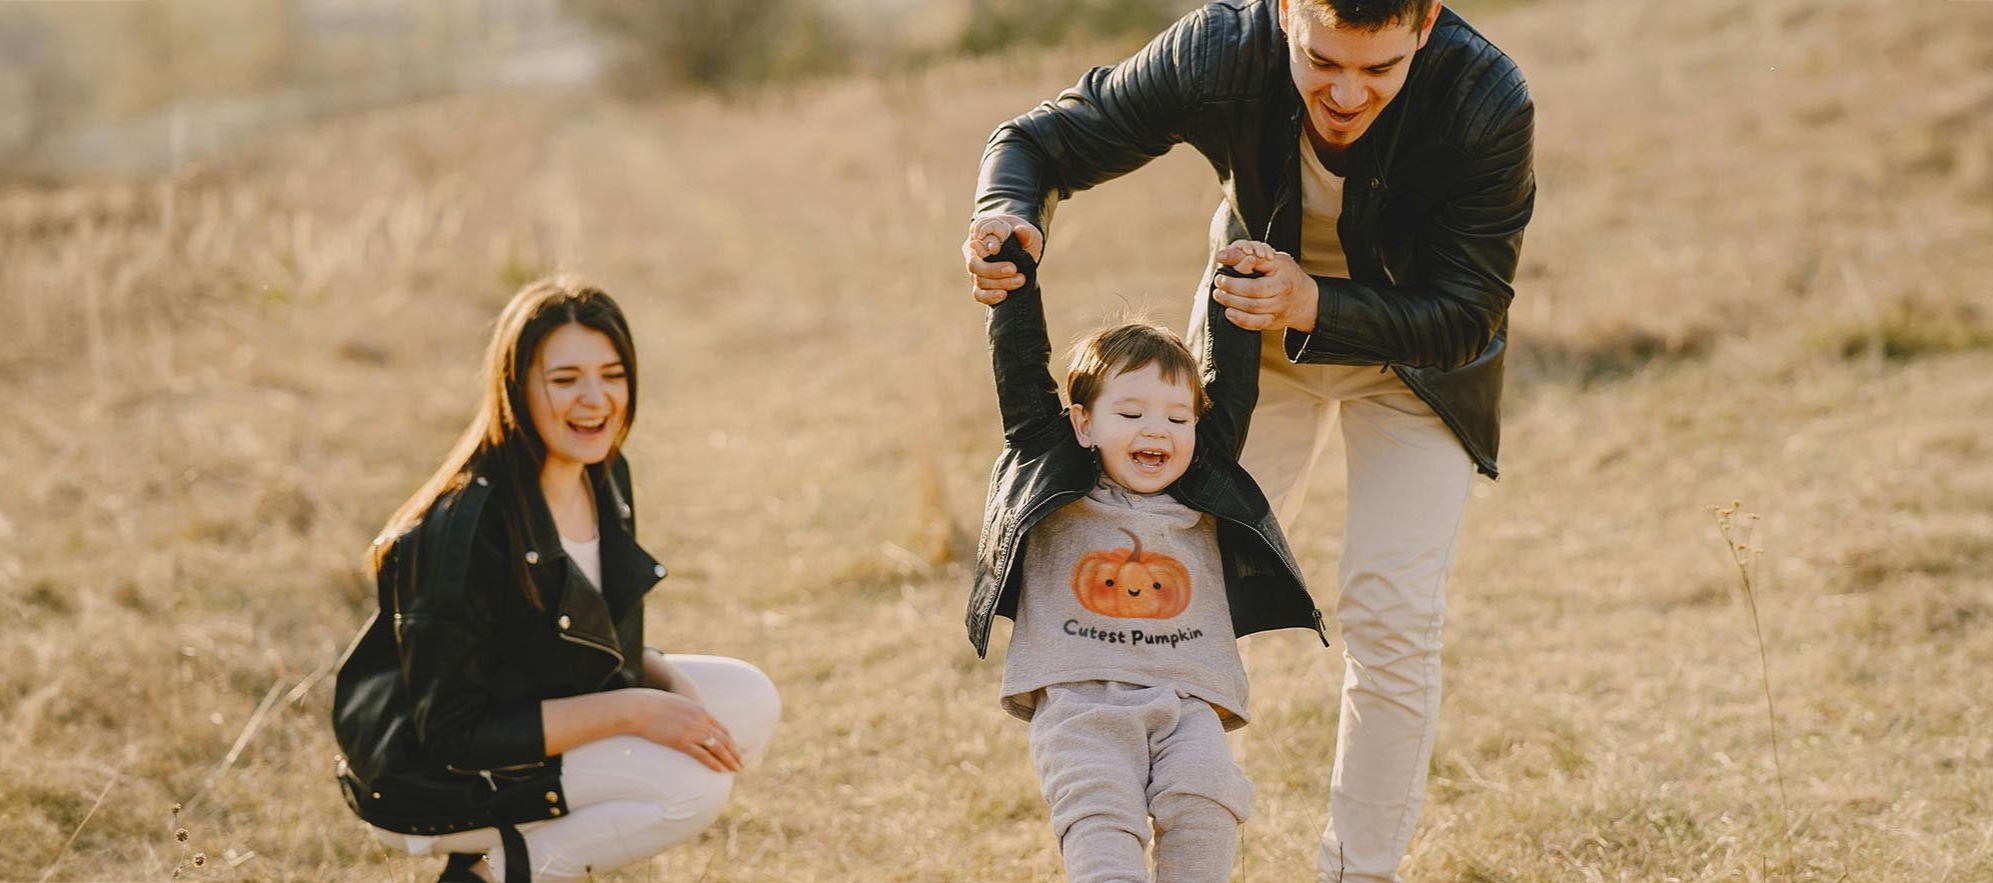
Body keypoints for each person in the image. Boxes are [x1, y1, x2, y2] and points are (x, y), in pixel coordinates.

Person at [962, 1, 1534, 879]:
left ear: (1423, 27)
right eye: (1321, 62)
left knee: (1391, 613)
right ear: (1284, 13)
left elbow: (1468, 312)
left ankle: (1358, 870)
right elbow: (1038, 140)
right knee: (1184, 590)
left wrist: (1315, 303)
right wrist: (1006, 214)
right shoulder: (1219, 51)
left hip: (1416, 364)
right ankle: (1162, 838)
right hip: (1245, 352)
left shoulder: (1485, 96)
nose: (1347, 94)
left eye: (1379, 70)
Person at [330, 277, 781, 883]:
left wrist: (667, 684)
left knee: (750, 699)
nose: (595, 399)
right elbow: (452, 736)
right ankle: (488, 875)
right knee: (690, 788)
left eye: (612, 375)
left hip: (532, 719)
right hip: (434, 777)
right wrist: (635, 711)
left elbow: (566, 644)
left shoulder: (604, 473)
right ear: (516, 388)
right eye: (565, 380)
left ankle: (520, 850)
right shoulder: (467, 527)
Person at [966, 233, 1327, 881]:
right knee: (1101, 815)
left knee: (1207, 802)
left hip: (1187, 701)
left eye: (1176, 419)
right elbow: (1019, 373)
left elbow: (1231, 385)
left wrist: (1238, 281)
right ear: (1083, 424)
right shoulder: (1057, 473)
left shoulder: (1202, 484)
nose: (1156, 429)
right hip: (1080, 702)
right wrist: (1012, 278)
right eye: (1130, 413)